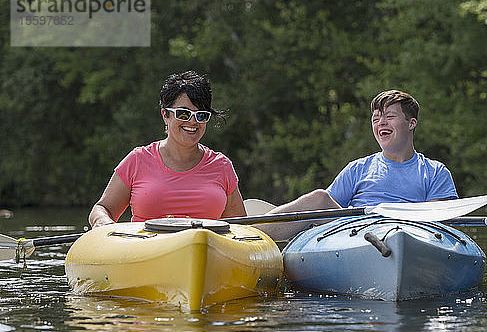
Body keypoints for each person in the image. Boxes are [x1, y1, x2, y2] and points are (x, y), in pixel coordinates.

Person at [258, 89, 457, 240]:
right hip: (356, 235)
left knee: (432, 215)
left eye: (389, 116)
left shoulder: (435, 172)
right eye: (376, 118)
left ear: (411, 123)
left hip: (411, 235)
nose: (381, 123)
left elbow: (439, 225)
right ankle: (251, 235)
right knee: (319, 198)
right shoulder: (358, 168)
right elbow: (326, 213)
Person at [89, 71, 246, 228]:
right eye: (183, 114)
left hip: (207, 249)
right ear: (165, 115)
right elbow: (102, 208)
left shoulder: (222, 166)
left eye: (201, 115)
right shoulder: (137, 159)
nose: (192, 121)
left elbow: (241, 228)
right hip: (147, 249)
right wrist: (102, 221)